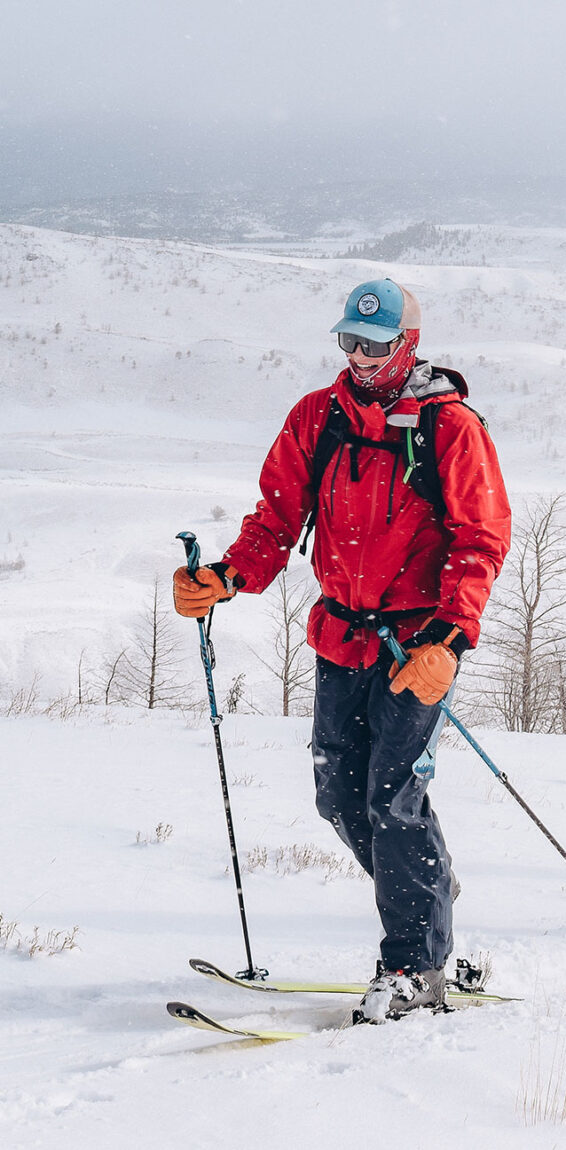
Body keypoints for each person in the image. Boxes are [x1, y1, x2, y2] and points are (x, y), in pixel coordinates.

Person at [173, 278, 511, 1019]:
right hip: (341, 637)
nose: (359, 357)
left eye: (376, 344)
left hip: (414, 646)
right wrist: (227, 576)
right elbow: (275, 517)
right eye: (349, 342)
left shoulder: (448, 429)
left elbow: (479, 542)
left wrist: (451, 639)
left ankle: (413, 968)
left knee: (392, 798)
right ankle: (427, 887)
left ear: (408, 344)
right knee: (338, 797)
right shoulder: (316, 418)